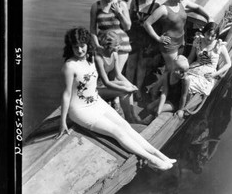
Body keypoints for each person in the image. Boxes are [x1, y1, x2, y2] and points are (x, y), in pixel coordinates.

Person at [57, 27, 175, 171]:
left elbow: (109, 71)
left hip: (96, 102)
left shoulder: (91, 57)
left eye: (82, 46)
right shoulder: (70, 66)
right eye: (76, 47)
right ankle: (152, 159)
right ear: (71, 48)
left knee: (124, 125)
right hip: (80, 110)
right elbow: (66, 94)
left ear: (87, 44)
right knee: (116, 131)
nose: (80, 50)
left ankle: (159, 154)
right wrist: (63, 121)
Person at [143, 0, 213, 72]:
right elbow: (147, 24)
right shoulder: (163, 9)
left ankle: (166, 82)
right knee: (173, 69)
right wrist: (158, 38)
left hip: (181, 40)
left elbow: (197, 8)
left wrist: (208, 17)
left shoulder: (182, 3)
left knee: (175, 67)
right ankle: (164, 85)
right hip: (169, 43)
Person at [95, 31, 141, 124]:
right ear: (109, 46)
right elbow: (106, 82)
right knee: (124, 91)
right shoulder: (98, 58)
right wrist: (125, 89)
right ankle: (129, 119)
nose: (119, 47)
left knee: (128, 85)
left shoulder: (114, 55)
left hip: (104, 86)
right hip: (96, 89)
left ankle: (133, 115)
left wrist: (131, 85)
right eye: (117, 45)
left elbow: (118, 75)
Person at [125, 0, 161, 100]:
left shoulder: (156, 5)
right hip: (134, 37)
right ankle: (129, 88)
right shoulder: (134, 2)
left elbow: (157, 25)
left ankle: (138, 89)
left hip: (147, 40)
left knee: (142, 65)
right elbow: (129, 20)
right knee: (131, 63)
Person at [90, 0, 132, 74]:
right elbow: (92, 29)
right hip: (103, 44)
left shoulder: (122, 4)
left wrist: (119, 13)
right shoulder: (96, 6)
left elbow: (127, 27)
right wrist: (97, 46)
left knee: (116, 75)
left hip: (121, 44)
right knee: (102, 75)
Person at [185, 22, 232, 96]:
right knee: (180, 79)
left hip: (208, 73)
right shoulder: (198, 41)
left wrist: (215, 74)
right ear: (204, 32)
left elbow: (228, 63)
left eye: (213, 36)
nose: (209, 38)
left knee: (187, 84)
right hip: (195, 68)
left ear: (216, 36)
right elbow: (190, 58)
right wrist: (184, 68)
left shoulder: (219, 46)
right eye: (208, 34)